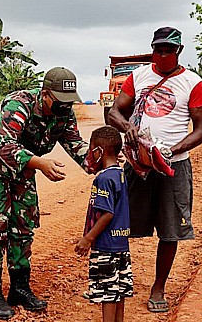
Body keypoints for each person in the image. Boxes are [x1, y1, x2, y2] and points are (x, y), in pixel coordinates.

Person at [0, 67, 89, 319]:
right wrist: (41, 164)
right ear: (45, 94)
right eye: (60, 103)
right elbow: (4, 145)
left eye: (69, 103)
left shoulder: (63, 114)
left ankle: (19, 288)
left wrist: (105, 160)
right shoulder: (18, 105)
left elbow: (76, 146)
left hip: (25, 162)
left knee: (23, 223)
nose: (65, 108)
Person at [108, 27, 202, 313]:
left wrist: (172, 150)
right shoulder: (139, 76)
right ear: (152, 50)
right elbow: (114, 111)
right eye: (158, 49)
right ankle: (117, 281)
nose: (163, 54)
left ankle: (158, 287)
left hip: (173, 167)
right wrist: (128, 127)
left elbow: (201, 130)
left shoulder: (193, 83)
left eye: (169, 49)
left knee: (170, 229)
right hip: (138, 166)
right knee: (121, 224)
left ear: (179, 51)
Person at [75, 126, 132, 322]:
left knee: (108, 292)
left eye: (92, 150)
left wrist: (88, 238)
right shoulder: (120, 173)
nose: (90, 154)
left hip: (105, 245)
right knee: (119, 290)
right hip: (121, 244)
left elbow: (107, 213)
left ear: (99, 151)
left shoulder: (104, 178)